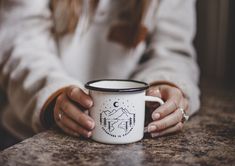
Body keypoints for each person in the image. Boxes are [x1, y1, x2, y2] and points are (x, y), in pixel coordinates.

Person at [0, 0, 200, 142]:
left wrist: (167, 83)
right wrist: (52, 94)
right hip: (29, 136)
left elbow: (172, 49)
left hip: (136, 143)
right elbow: (20, 41)